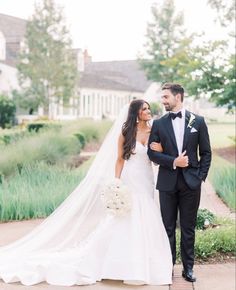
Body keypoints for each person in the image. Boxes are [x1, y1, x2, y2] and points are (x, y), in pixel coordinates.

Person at [0, 99, 172, 286]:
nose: (148, 111)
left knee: (146, 214)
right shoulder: (126, 132)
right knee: (126, 217)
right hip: (130, 179)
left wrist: (160, 149)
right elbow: (120, 160)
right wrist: (116, 182)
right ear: (136, 113)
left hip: (146, 179)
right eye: (144, 109)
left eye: (148, 108)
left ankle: (145, 262)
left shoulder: (154, 131)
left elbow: (156, 159)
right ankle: (118, 264)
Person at [148, 83, 212, 282]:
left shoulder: (198, 121)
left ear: (178, 97)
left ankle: (188, 268)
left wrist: (199, 176)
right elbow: (151, 153)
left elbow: (206, 153)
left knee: (188, 227)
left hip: (191, 184)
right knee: (167, 228)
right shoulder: (158, 124)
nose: (163, 101)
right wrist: (173, 161)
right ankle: (168, 268)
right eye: (163, 97)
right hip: (167, 182)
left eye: (166, 97)